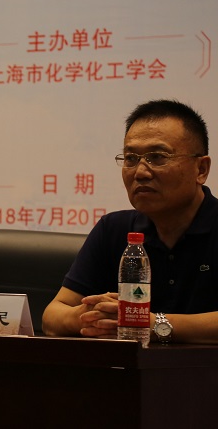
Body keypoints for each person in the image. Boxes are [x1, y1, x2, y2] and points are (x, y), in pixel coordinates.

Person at [43, 99, 217, 344]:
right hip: (127, 369)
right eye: (131, 158)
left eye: (157, 157)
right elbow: (51, 317)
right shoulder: (113, 229)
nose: (141, 172)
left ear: (201, 169)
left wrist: (151, 323)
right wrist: (89, 317)